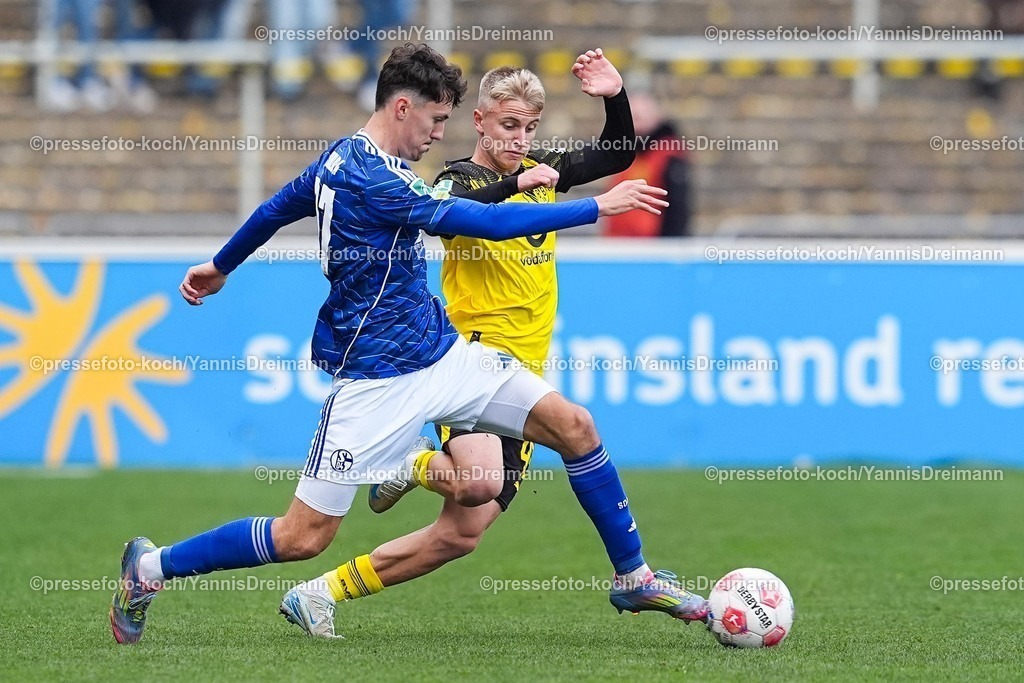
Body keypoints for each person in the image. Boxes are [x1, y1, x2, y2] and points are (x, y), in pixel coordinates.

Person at [109, 43, 696, 645]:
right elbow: (484, 220)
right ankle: (151, 567)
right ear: (400, 108)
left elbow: (278, 206)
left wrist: (220, 264)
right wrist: (596, 206)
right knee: (301, 538)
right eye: (436, 120)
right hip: (375, 378)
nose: (438, 133)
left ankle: (634, 574)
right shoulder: (381, 182)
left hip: (443, 353)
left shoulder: (340, 160)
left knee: (574, 426)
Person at [301, 49, 703, 637]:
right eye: (508, 125)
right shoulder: (453, 180)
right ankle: (632, 576)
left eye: (530, 128)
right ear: (481, 122)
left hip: (522, 372)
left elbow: (616, 152)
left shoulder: (541, 172)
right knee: (522, 459)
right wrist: (529, 183)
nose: (520, 138)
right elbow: (466, 211)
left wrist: (614, 97)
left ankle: (320, 590)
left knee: (461, 533)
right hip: (469, 364)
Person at [602, 91, 692, 237]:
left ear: (654, 117)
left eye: (638, 118)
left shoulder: (667, 155)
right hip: (619, 242)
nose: (633, 124)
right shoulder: (626, 152)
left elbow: (677, 207)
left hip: (651, 247)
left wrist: (670, 244)